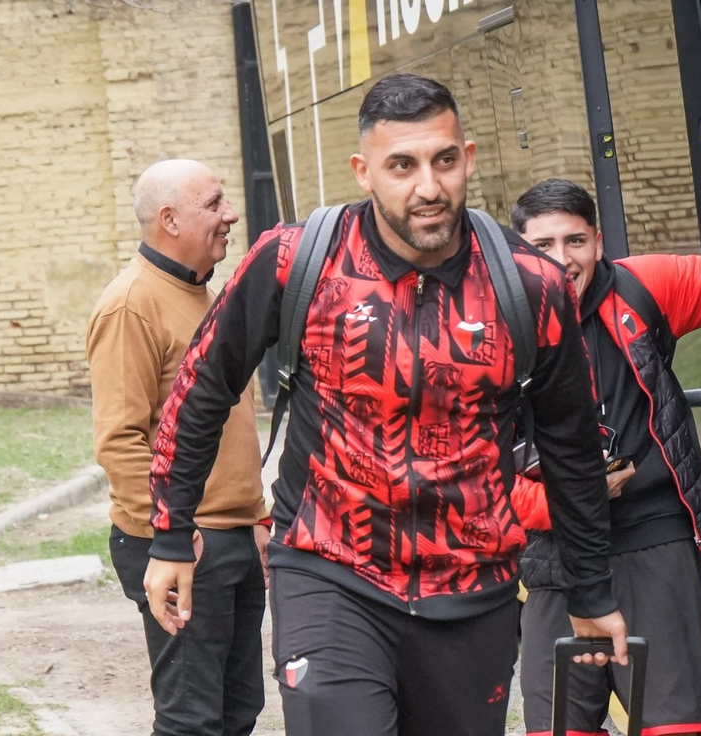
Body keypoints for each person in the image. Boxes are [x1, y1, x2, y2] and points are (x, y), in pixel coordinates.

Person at [141, 74, 629, 736]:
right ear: (364, 171)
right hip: (329, 570)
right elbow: (201, 387)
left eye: (444, 161)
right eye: (403, 165)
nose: (428, 187)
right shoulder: (295, 262)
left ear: (469, 159)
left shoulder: (530, 286)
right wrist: (171, 535)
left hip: (474, 594)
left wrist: (592, 591)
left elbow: (571, 445)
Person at [511, 178, 701, 736]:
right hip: (555, 558)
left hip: (653, 538)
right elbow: (475, 472)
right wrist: (567, 499)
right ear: (517, 250)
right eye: (542, 245)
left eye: (574, 241)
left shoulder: (640, 289)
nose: (562, 260)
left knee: (677, 729)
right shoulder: (490, 329)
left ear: (597, 242)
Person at [86, 159, 271, 736]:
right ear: (169, 219)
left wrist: (255, 515)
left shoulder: (206, 294)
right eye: (214, 204)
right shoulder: (130, 305)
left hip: (234, 537)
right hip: (184, 545)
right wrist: (169, 536)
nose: (231, 215)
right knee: (192, 721)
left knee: (239, 712)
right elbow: (121, 439)